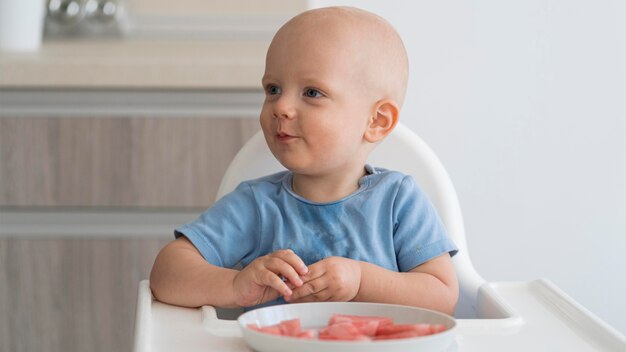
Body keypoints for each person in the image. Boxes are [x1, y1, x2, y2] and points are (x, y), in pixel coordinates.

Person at [150, 6, 459, 315]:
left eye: (312, 92)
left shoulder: (398, 200)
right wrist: (235, 285)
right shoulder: (255, 205)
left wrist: (361, 280)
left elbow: (442, 295)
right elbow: (166, 275)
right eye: (273, 89)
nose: (281, 106)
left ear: (376, 120)